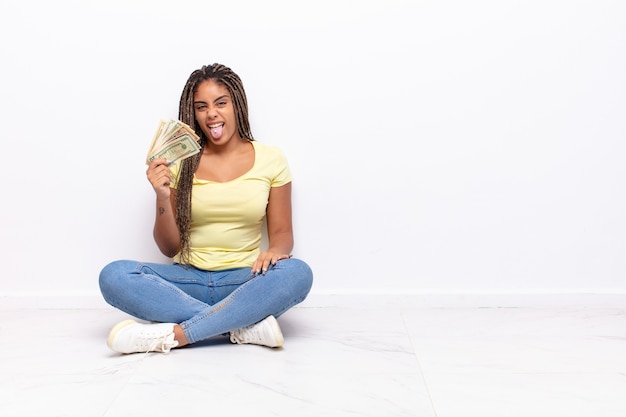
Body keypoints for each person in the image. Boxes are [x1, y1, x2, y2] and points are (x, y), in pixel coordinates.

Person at [99, 63, 313, 354]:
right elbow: (168, 247)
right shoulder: (181, 161)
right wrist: (162, 197)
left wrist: (276, 251)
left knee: (298, 273)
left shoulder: (271, 159)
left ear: (237, 104)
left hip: (244, 280)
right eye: (201, 106)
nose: (211, 113)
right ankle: (240, 326)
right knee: (113, 275)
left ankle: (178, 335)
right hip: (189, 280)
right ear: (193, 113)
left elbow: (282, 232)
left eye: (221, 103)